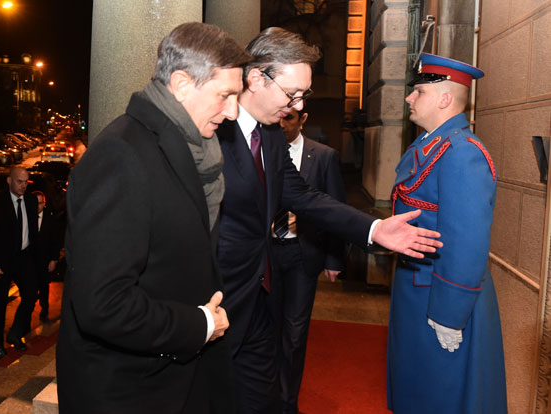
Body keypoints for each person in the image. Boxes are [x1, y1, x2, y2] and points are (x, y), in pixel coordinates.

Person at [215, 27, 443, 413]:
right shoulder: (213, 129)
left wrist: (373, 229)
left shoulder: (270, 134)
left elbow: (302, 195)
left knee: (261, 395)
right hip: (218, 298)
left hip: (260, 297)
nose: (299, 105)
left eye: (303, 95)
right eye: (293, 93)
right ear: (255, 78)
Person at [56, 22, 252, 414]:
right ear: (181, 84)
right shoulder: (121, 156)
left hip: (180, 377)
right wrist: (199, 326)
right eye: (225, 96)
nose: (233, 113)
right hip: (129, 392)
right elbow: (103, 304)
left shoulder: (195, 151)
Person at [388, 53, 507, 413]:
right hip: (417, 288)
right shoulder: (428, 145)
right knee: (418, 390)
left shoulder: (461, 154)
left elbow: (467, 242)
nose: (409, 97)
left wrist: (450, 315)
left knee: (442, 394)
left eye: (419, 91)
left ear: (444, 99)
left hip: (441, 297)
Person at [270, 108, 346, 413]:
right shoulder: (260, 149)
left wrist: (334, 258)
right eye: (279, 116)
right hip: (264, 255)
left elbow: (334, 208)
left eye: (289, 117)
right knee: (265, 330)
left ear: (303, 119)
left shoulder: (324, 156)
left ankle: (288, 404)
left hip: (303, 254)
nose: (281, 123)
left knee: (294, 333)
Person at [0, 166, 38, 359]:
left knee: (30, 295)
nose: (23, 186)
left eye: (26, 182)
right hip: (2, 261)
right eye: (19, 181)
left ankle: (15, 333)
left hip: (24, 257)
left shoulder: (30, 200)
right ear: (9, 181)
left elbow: (33, 232)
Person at [31, 191, 61, 322]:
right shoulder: (26, 217)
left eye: (39, 203)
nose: (37, 206)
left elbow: (56, 241)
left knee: (43, 286)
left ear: (44, 203)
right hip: (30, 261)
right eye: (34, 203)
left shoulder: (51, 219)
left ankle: (44, 308)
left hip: (44, 260)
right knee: (30, 288)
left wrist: (54, 259)